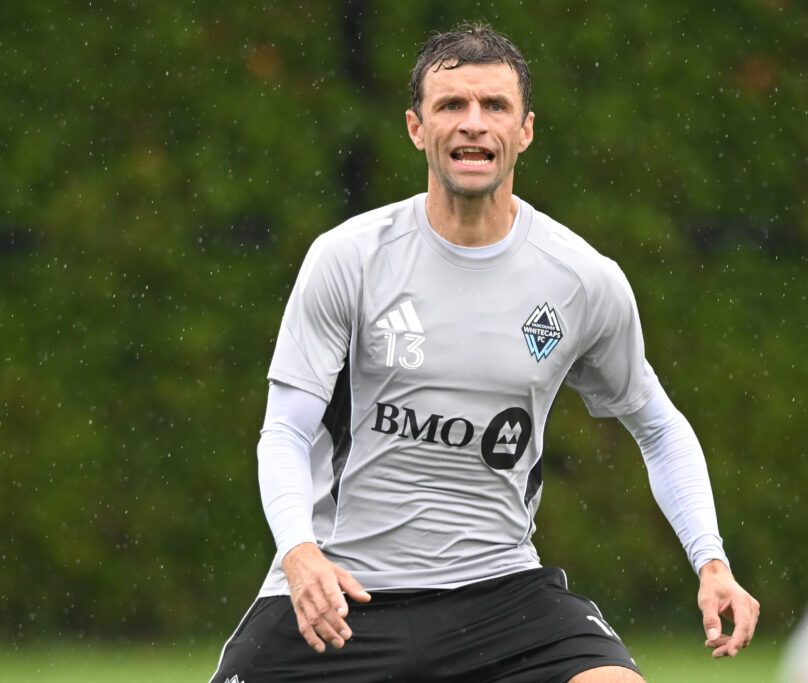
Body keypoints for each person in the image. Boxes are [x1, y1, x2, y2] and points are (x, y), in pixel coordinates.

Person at [210, 22, 759, 683]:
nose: (473, 124)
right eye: (451, 105)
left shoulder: (581, 279)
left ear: (524, 129)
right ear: (417, 127)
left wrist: (711, 560)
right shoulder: (350, 258)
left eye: (494, 106)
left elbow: (658, 425)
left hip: (500, 598)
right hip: (341, 592)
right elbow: (285, 429)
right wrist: (299, 553)